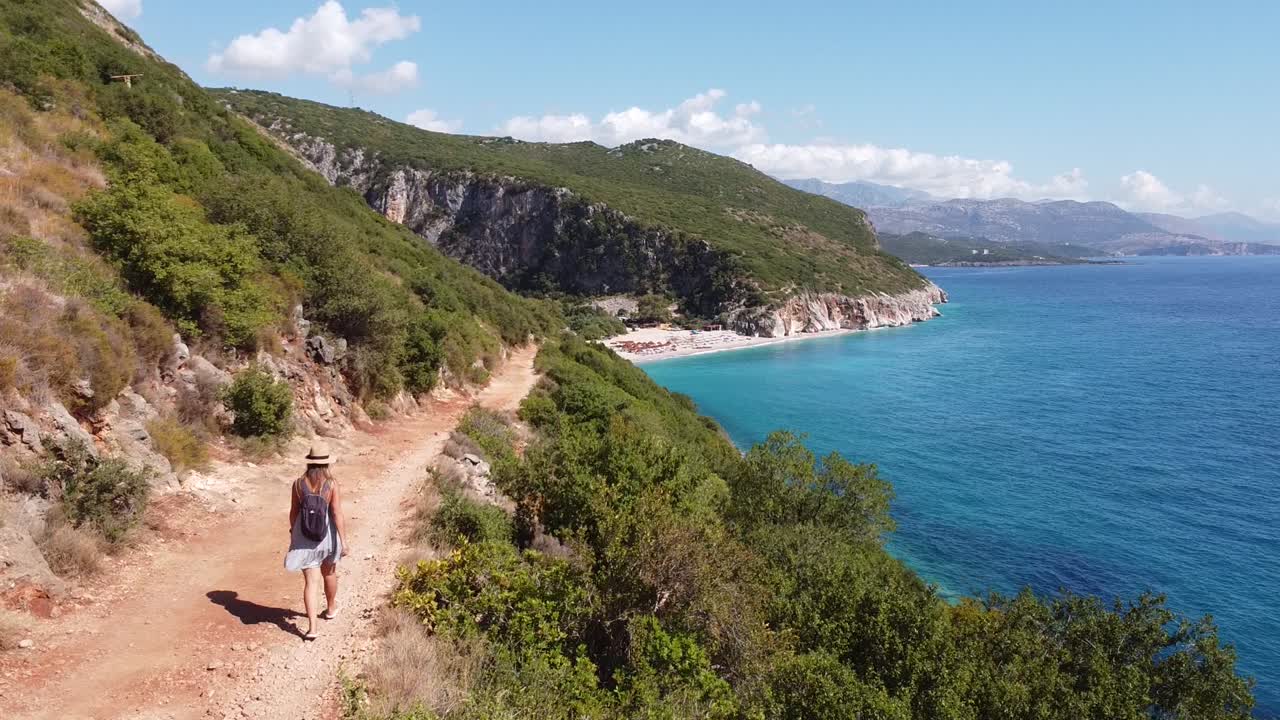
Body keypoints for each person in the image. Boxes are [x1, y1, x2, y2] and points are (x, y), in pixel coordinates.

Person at [284, 441, 349, 640]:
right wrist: (344, 541)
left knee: (310, 583)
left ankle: (312, 629)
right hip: (326, 536)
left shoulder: (297, 484)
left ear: (309, 463)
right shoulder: (331, 484)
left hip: (304, 538)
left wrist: (293, 533)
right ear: (326, 463)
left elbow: (294, 513)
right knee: (329, 573)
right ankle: (330, 609)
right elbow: (336, 513)